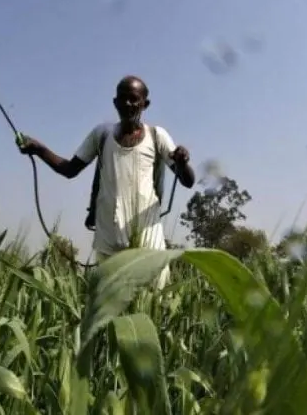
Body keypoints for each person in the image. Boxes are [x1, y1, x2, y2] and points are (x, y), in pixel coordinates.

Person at [18, 75, 195, 289]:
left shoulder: (157, 136)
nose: (127, 104)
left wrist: (183, 162)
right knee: (110, 303)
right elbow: (69, 169)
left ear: (144, 104)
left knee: (154, 298)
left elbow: (187, 181)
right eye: (122, 99)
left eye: (134, 99)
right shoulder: (101, 135)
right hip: (108, 235)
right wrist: (39, 150)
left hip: (148, 236)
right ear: (115, 103)